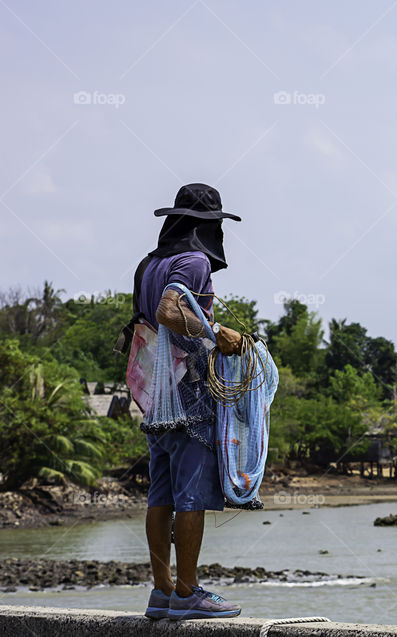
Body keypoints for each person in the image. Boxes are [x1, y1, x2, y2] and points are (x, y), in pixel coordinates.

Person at [131, 183, 244, 621]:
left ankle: (162, 592)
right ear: (208, 226)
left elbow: (149, 315)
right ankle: (188, 591)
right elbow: (168, 310)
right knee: (191, 495)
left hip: (155, 394)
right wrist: (220, 336)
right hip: (189, 391)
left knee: (160, 494)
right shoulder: (193, 261)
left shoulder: (148, 263)